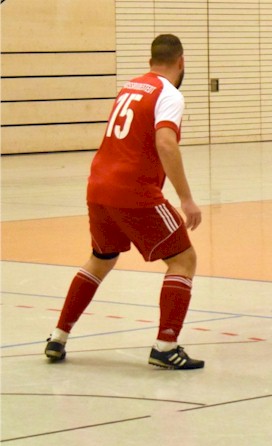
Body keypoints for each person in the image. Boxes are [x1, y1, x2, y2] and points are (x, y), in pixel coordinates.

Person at [44, 34, 205, 370]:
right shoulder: (169, 94)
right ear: (181, 61)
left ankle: (58, 337)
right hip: (134, 192)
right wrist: (186, 199)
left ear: (150, 61)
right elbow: (166, 144)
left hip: (98, 188)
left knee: (101, 259)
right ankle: (166, 346)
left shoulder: (131, 87)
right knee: (183, 260)